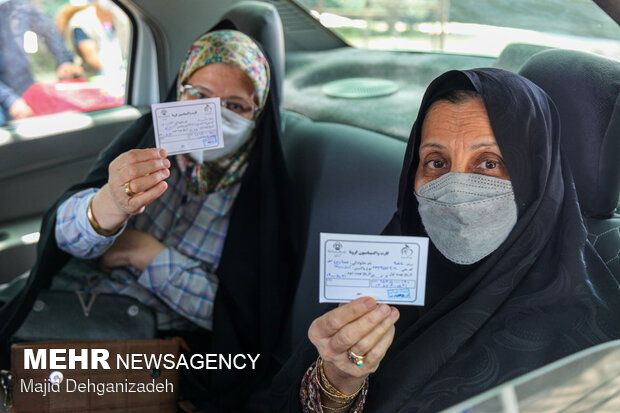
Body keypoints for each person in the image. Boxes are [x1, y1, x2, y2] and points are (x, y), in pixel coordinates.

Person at [273, 68, 620, 412]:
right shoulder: (383, 278)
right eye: (436, 162)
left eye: (489, 163)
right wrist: (338, 382)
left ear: (538, 174)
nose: (455, 187)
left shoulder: (591, 349)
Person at [15, 25, 299, 410]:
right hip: (58, 312)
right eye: (198, 96)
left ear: (258, 114)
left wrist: (148, 255)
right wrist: (108, 207)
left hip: (150, 350)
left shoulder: (261, 198)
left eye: (235, 106)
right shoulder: (143, 150)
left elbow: (241, 321)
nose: (213, 115)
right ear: (178, 92)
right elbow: (63, 238)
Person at [0, 0, 82, 123]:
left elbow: (48, 30)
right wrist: (9, 100)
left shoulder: (18, 5)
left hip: (23, 82)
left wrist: (64, 61)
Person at [56, 0, 130, 79]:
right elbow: (92, 58)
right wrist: (116, 72)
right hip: (92, 78)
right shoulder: (82, 21)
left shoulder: (123, 18)